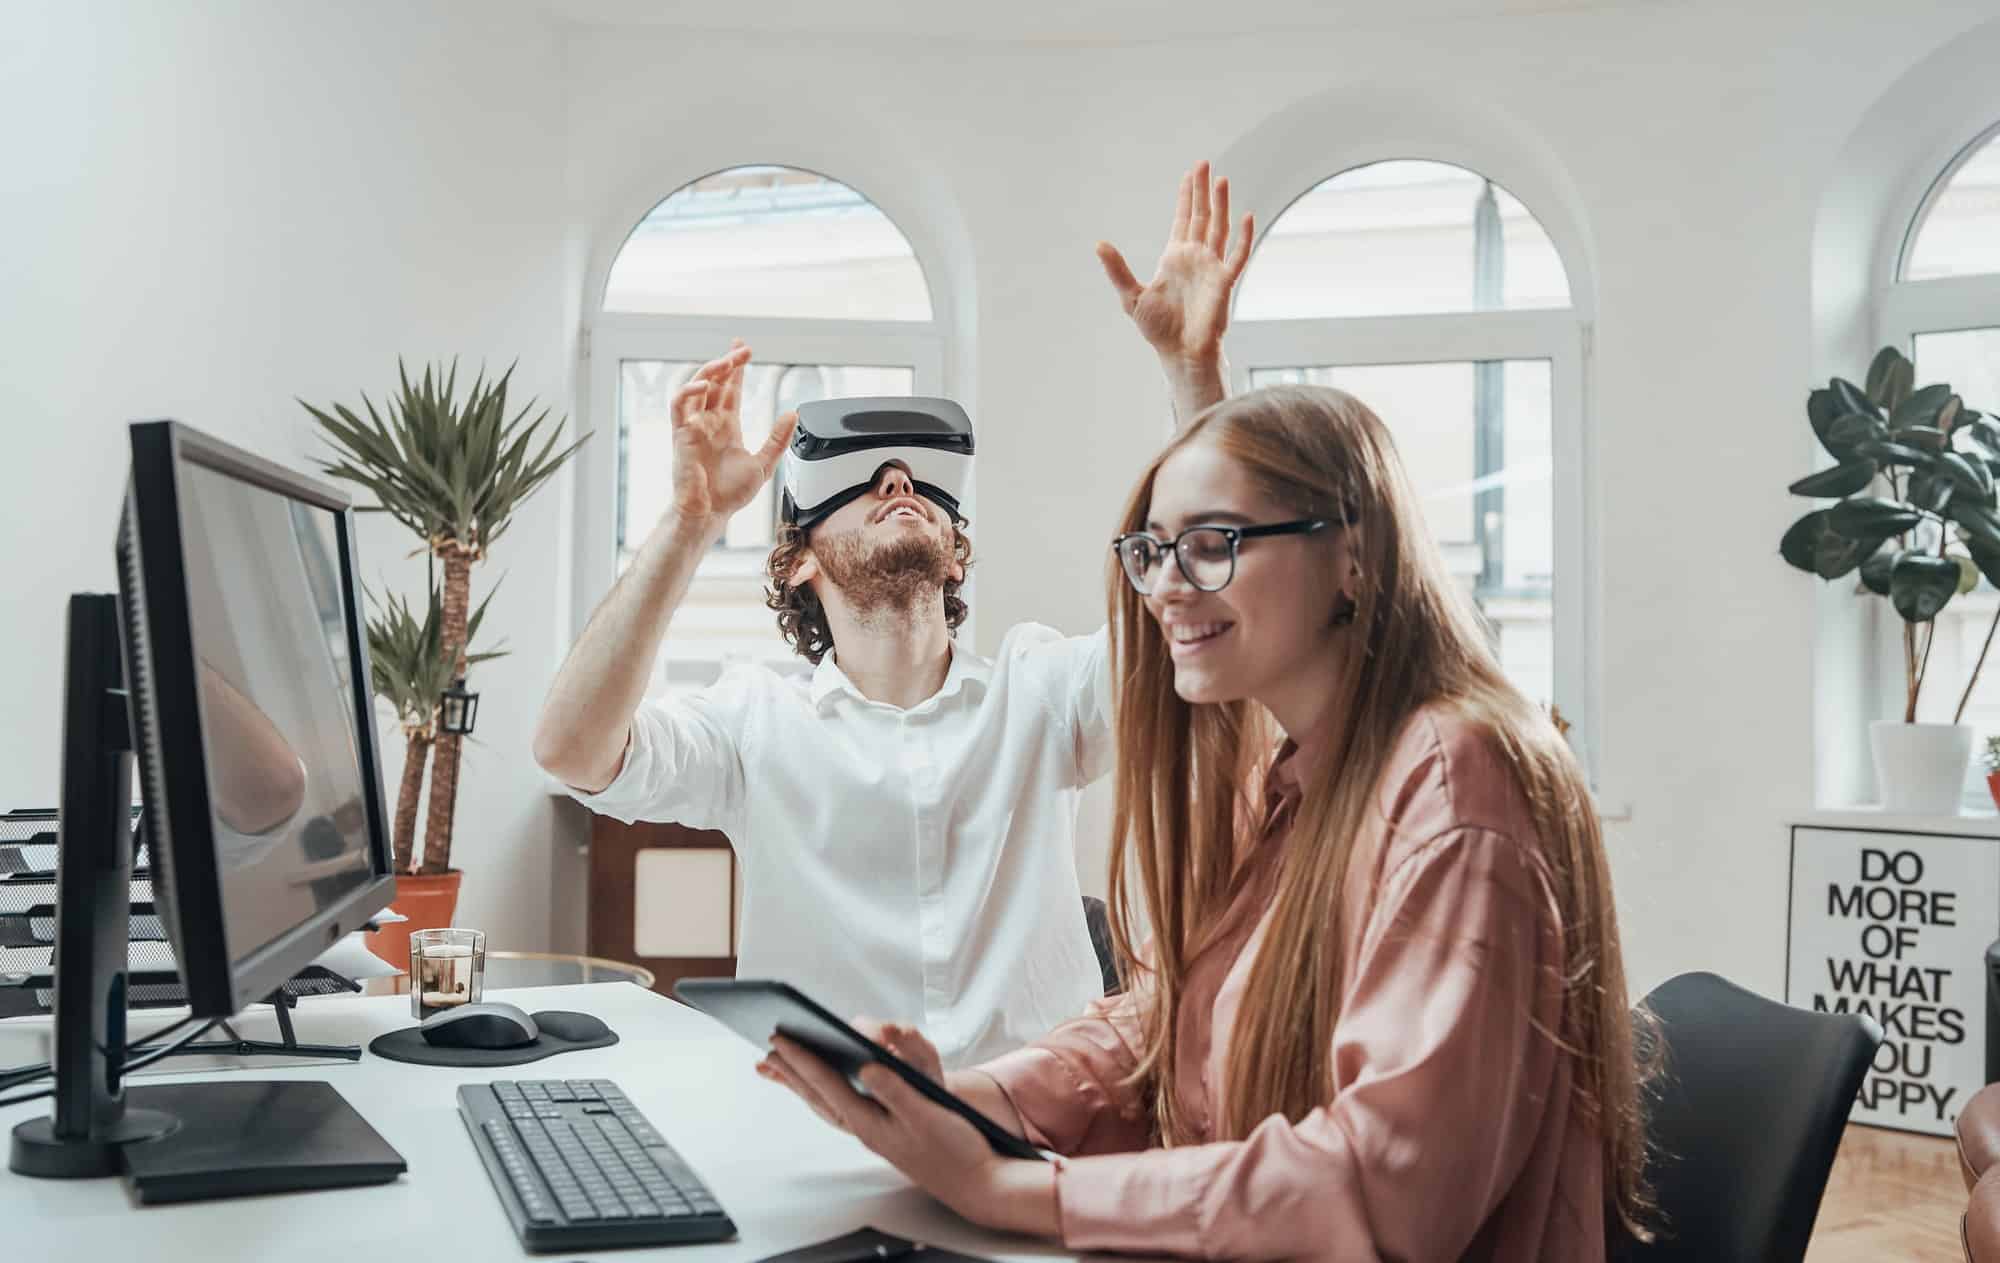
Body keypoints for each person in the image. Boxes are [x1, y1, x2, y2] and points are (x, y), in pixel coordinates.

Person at [760, 385, 1653, 1260]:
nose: (1168, 589)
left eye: (1214, 544)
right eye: (1154, 549)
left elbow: (1387, 1193)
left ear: (1354, 557)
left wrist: (1018, 1190)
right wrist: (967, 1097)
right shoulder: (1305, 772)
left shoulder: (1456, 781)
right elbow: (1176, 1012)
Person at [533, 163, 1255, 1068]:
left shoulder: (1045, 691)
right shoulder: (754, 723)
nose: (898, 480)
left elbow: (1216, 596)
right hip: (830, 1133)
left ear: (955, 555)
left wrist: (1195, 374)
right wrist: (688, 526)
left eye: (918, 481)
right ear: (795, 563)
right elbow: (568, 749)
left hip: (1044, 1128)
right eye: (866, 478)